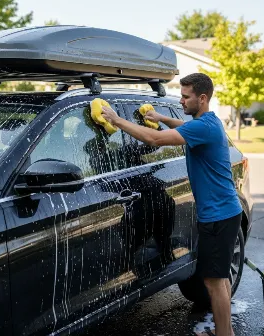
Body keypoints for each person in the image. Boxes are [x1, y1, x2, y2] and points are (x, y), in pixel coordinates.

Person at [101, 73, 242, 336]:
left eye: (186, 96)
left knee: (213, 282)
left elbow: (154, 140)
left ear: (202, 98)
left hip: (219, 217)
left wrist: (116, 119)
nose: (181, 100)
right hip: (224, 213)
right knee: (218, 279)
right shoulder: (208, 122)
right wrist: (162, 118)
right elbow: (183, 127)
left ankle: (225, 334)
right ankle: (226, 332)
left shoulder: (203, 127)